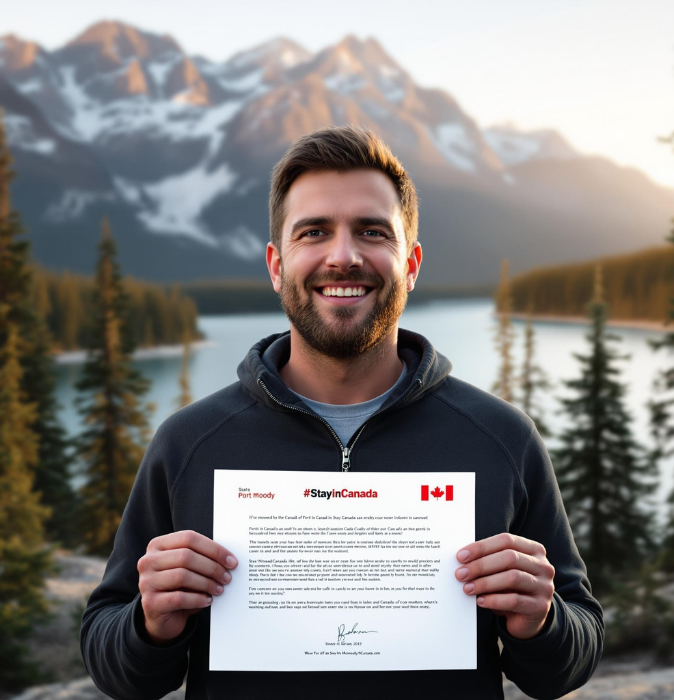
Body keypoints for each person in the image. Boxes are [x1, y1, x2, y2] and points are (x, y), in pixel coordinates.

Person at [81, 125, 603, 700]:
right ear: (278, 265)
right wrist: (149, 624)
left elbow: (570, 658)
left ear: (411, 263)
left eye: (372, 231)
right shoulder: (190, 443)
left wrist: (543, 620)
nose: (344, 256)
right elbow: (112, 662)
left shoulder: (501, 437)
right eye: (314, 232)